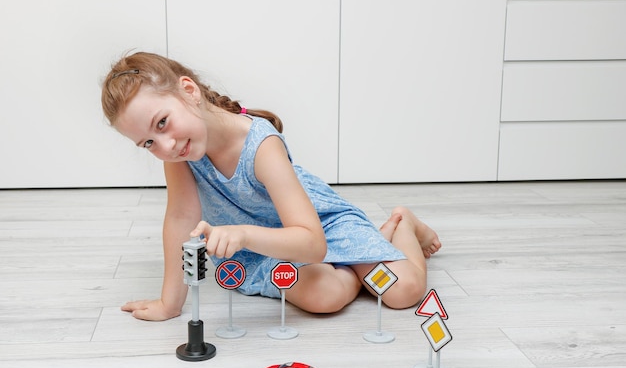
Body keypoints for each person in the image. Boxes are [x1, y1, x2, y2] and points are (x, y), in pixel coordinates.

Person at [101, 52, 441, 321]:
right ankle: (357, 264)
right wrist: (169, 304)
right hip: (261, 249)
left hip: (319, 228)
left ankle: (404, 224)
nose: (165, 145)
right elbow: (179, 219)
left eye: (162, 123)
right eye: (148, 142)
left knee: (403, 292)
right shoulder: (178, 153)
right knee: (324, 297)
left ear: (189, 91)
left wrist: (245, 234)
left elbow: (312, 242)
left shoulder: (261, 144)